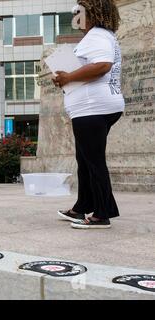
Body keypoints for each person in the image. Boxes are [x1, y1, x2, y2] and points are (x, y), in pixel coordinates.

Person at [53, 0, 124, 229]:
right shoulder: (100, 35)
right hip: (92, 108)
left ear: (91, 13)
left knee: (93, 162)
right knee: (84, 160)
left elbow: (103, 65)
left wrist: (69, 77)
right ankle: (82, 206)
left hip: (93, 108)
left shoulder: (98, 35)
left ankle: (102, 214)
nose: (76, 16)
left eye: (79, 12)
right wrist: (65, 77)